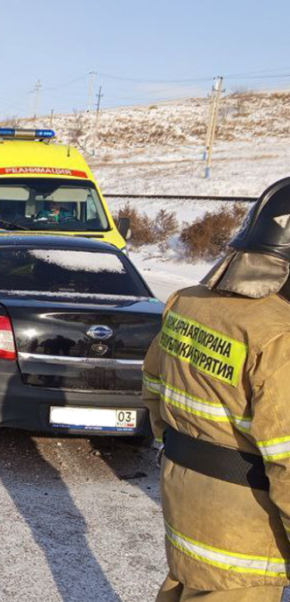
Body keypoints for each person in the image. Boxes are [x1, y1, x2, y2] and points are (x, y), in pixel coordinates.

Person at [143, 177, 290, 602]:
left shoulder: (188, 302)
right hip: (247, 538)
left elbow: (153, 385)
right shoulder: (278, 336)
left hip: (186, 501)